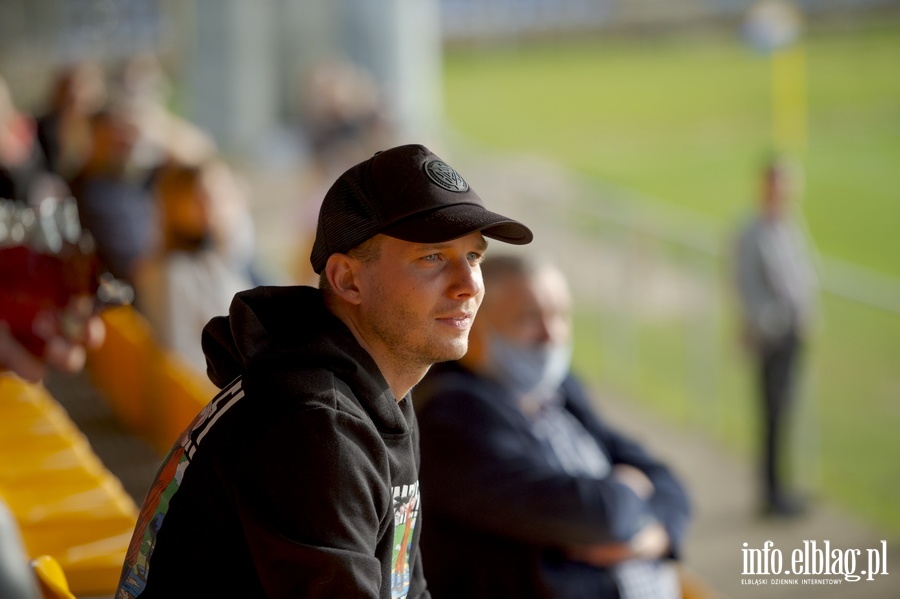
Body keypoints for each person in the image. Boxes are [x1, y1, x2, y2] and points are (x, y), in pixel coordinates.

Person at [114, 143, 533, 598]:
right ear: (347, 280)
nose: (469, 285)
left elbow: (406, 589)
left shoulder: (376, 389)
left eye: (474, 257)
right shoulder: (312, 425)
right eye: (432, 257)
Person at [413, 255, 692, 599]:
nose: (552, 335)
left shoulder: (558, 391)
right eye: (529, 317)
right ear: (475, 323)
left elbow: (666, 480)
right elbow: (598, 516)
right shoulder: (452, 415)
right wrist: (631, 489)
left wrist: (657, 537)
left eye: (560, 315)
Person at [732, 155, 817, 517]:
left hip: (794, 333)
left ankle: (784, 487)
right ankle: (772, 494)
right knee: (772, 416)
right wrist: (768, 327)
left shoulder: (790, 225)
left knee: (787, 413)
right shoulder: (751, 231)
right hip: (772, 338)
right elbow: (747, 287)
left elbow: (802, 276)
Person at [134, 160, 255, 374]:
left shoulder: (216, 257)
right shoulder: (171, 273)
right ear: (174, 204)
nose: (213, 205)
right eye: (201, 196)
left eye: (221, 196)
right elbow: (179, 358)